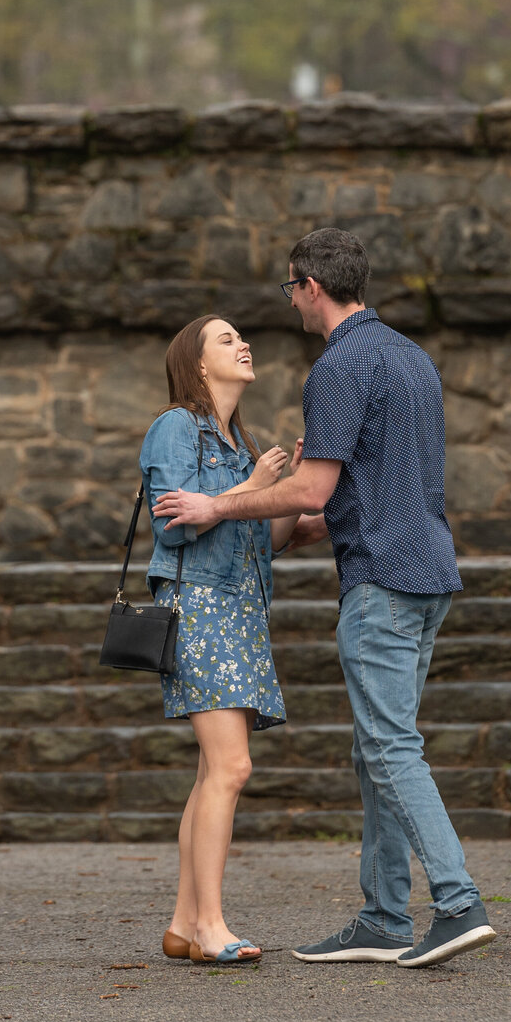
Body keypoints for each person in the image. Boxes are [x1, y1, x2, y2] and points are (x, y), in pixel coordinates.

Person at [155, 227, 495, 970]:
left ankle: (458, 901)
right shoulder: (413, 358)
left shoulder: (337, 367)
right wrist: (285, 514)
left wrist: (217, 507)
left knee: (389, 746)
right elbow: (340, 502)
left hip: (381, 581)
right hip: (431, 571)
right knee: (377, 748)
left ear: (310, 286)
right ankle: (380, 916)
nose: (291, 304)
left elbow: (312, 489)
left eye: (290, 289)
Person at [141, 313, 312, 966]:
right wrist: (254, 488)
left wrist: (291, 500)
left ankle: (186, 924)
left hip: (240, 611)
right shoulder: (175, 427)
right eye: (226, 339)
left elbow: (257, 539)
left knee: (216, 769)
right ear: (197, 362)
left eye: (242, 336)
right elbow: (174, 524)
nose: (243, 343)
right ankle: (211, 926)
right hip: (198, 607)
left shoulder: (241, 442)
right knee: (233, 767)